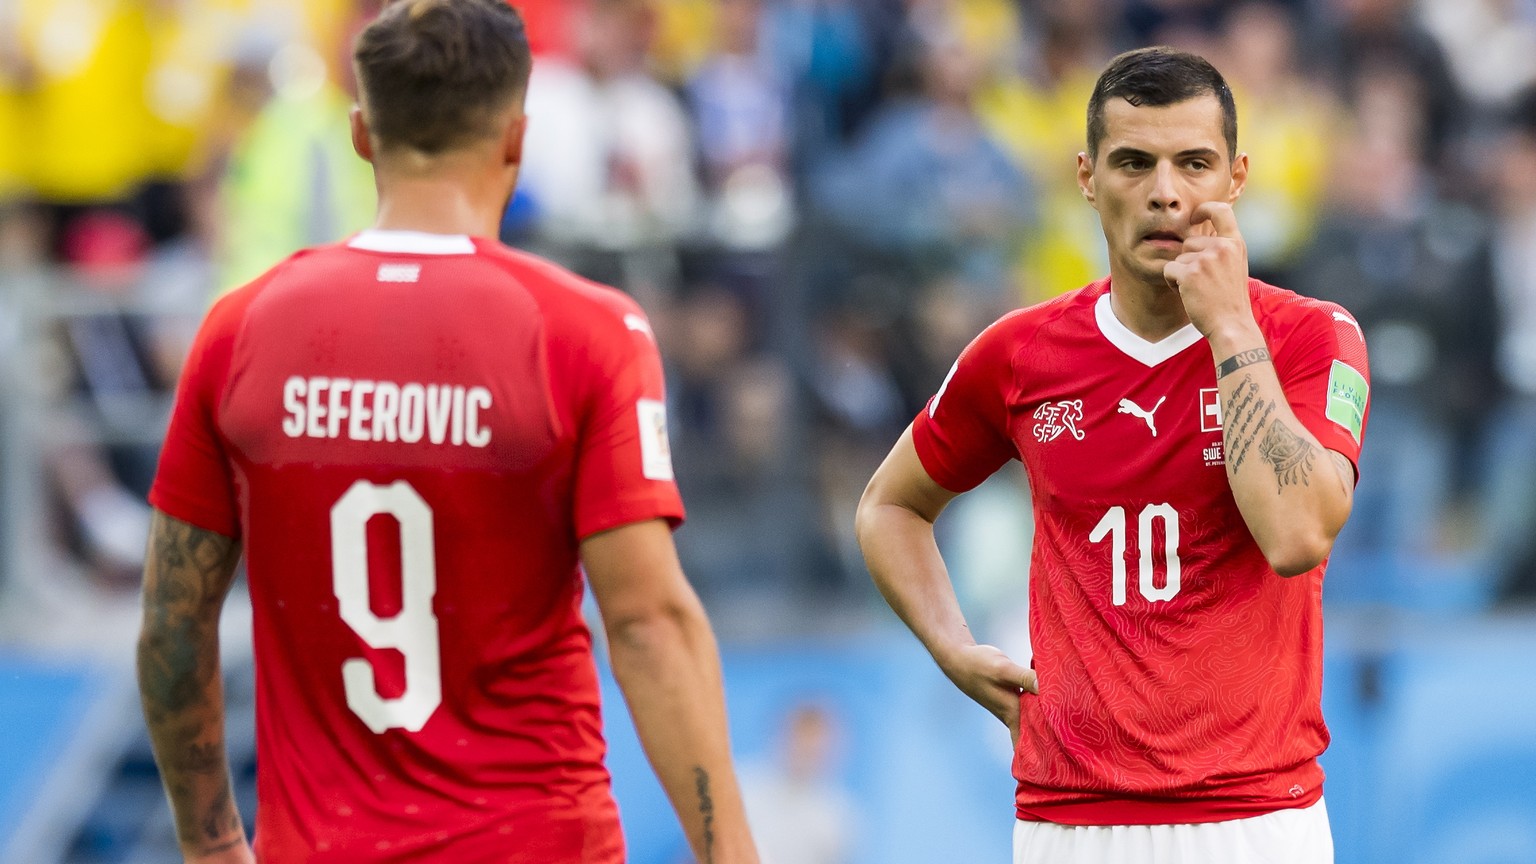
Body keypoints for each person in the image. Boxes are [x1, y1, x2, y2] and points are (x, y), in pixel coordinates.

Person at [134, 2, 759, 862]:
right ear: (516, 137)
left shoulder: (239, 331)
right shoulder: (585, 333)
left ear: (361, 133)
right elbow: (648, 622)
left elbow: (173, 621)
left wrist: (211, 848)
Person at [856, 47, 1370, 863]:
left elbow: (1298, 533)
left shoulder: (1312, 336)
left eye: (1193, 163)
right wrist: (953, 646)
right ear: (1088, 178)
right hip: (1069, 823)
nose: (1166, 192)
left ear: (1236, 178)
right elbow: (889, 505)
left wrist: (1229, 327)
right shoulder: (1020, 353)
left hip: (1257, 821)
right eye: (1134, 162)